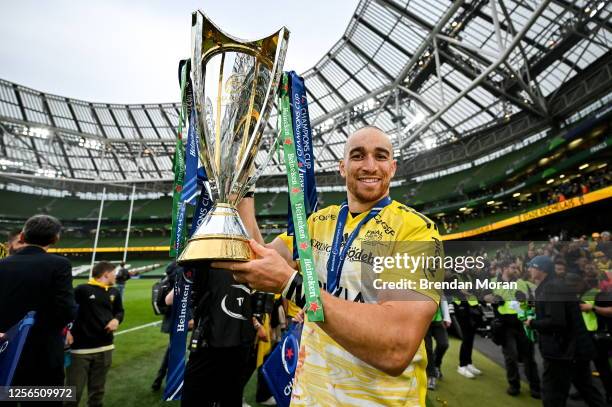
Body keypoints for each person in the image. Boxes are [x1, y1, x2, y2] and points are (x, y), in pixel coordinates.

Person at [217, 126, 442, 406]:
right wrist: (243, 188)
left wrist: (292, 285)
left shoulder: (417, 231)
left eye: (380, 156)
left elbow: (395, 346)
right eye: (358, 156)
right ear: (342, 167)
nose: (370, 165)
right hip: (307, 398)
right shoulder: (316, 223)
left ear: (393, 168)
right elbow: (254, 259)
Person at [0, 215, 76, 396]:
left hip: (4, 352)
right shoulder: (60, 265)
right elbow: (66, 311)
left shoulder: (2, 265)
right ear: (55, 239)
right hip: (44, 355)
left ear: (22, 237)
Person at [526, 255, 605, 407]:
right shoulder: (553, 285)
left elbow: (557, 322)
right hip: (572, 349)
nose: (528, 269)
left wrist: (533, 323)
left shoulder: (552, 287)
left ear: (541, 269)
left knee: (553, 394)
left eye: (532, 266)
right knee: (588, 390)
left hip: (562, 351)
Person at [66, 261, 124, 407]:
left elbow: (119, 311)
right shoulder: (81, 290)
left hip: (105, 348)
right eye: (113, 273)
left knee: (97, 391)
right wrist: (66, 330)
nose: (115, 276)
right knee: (73, 392)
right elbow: (65, 309)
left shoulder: (114, 292)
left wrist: (116, 320)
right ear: (106, 274)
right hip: (80, 350)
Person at [486, 258, 540, 398]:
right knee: (511, 357)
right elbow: (482, 296)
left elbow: (532, 302)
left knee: (529, 357)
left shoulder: (523, 283)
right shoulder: (492, 282)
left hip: (523, 324)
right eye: (512, 267)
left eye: (516, 268)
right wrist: (491, 298)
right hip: (504, 325)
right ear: (504, 268)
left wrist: (527, 301)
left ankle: (535, 387)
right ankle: (514, 385)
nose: (516, 270)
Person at [151, 261, 183, 392]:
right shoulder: (181, 268)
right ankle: (170, 382)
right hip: (179, 316)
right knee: (175, 351)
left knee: (173, 350)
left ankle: (160, 380)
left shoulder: (173, 267)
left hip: (172, 316)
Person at [425, 298, 451, 390]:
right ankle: (431, 376)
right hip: (423, 321)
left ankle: (436, 365)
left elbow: (443, 299)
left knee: (444, 344)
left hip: (437, 319)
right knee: (428, 349)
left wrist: (447, 317)